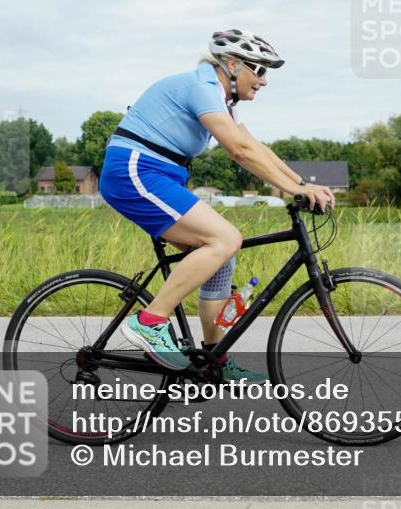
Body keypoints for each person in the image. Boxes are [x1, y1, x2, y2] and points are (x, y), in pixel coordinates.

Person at [98, 29, 335, 381]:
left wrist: (301, 184)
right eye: (260, 69)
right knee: (225, 238)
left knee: (222, 256)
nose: (265, 81)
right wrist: (291, 189)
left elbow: (253, 146)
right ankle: (149, 322)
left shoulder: (222, 100)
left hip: (159, 175)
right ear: (232, 64)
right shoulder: (202, 88)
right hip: (134, 170)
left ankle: (214, 361)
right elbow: (238, 152)